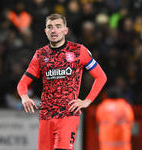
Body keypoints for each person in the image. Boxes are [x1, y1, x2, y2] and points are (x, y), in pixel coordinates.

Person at [17, 13, 107, 150]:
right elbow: (22, 83)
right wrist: (24, 97)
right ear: (45, 31)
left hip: (68, 114)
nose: (54, 30)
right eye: (50, 27)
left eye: (58, 26)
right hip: (46, 115)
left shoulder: (78, 51)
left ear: (65, 30)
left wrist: (87, 101)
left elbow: (101, 76)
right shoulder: (40, 55)